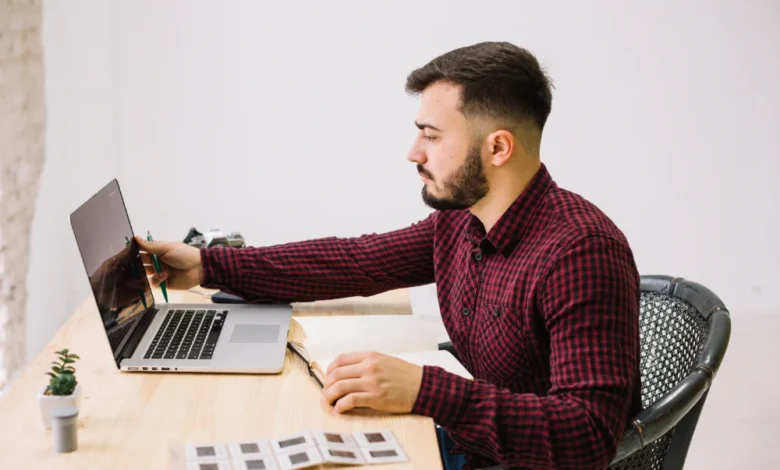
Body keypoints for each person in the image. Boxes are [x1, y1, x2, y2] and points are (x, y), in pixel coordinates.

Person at [136, 41, 641, 470]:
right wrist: (207, 264)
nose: (413, 153)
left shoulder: (581, 254)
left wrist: (429, 390)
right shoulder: (463, 219)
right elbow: (357, 261)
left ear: (499, 147)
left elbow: (589, 436)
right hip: (463, 439)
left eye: (432, 135)